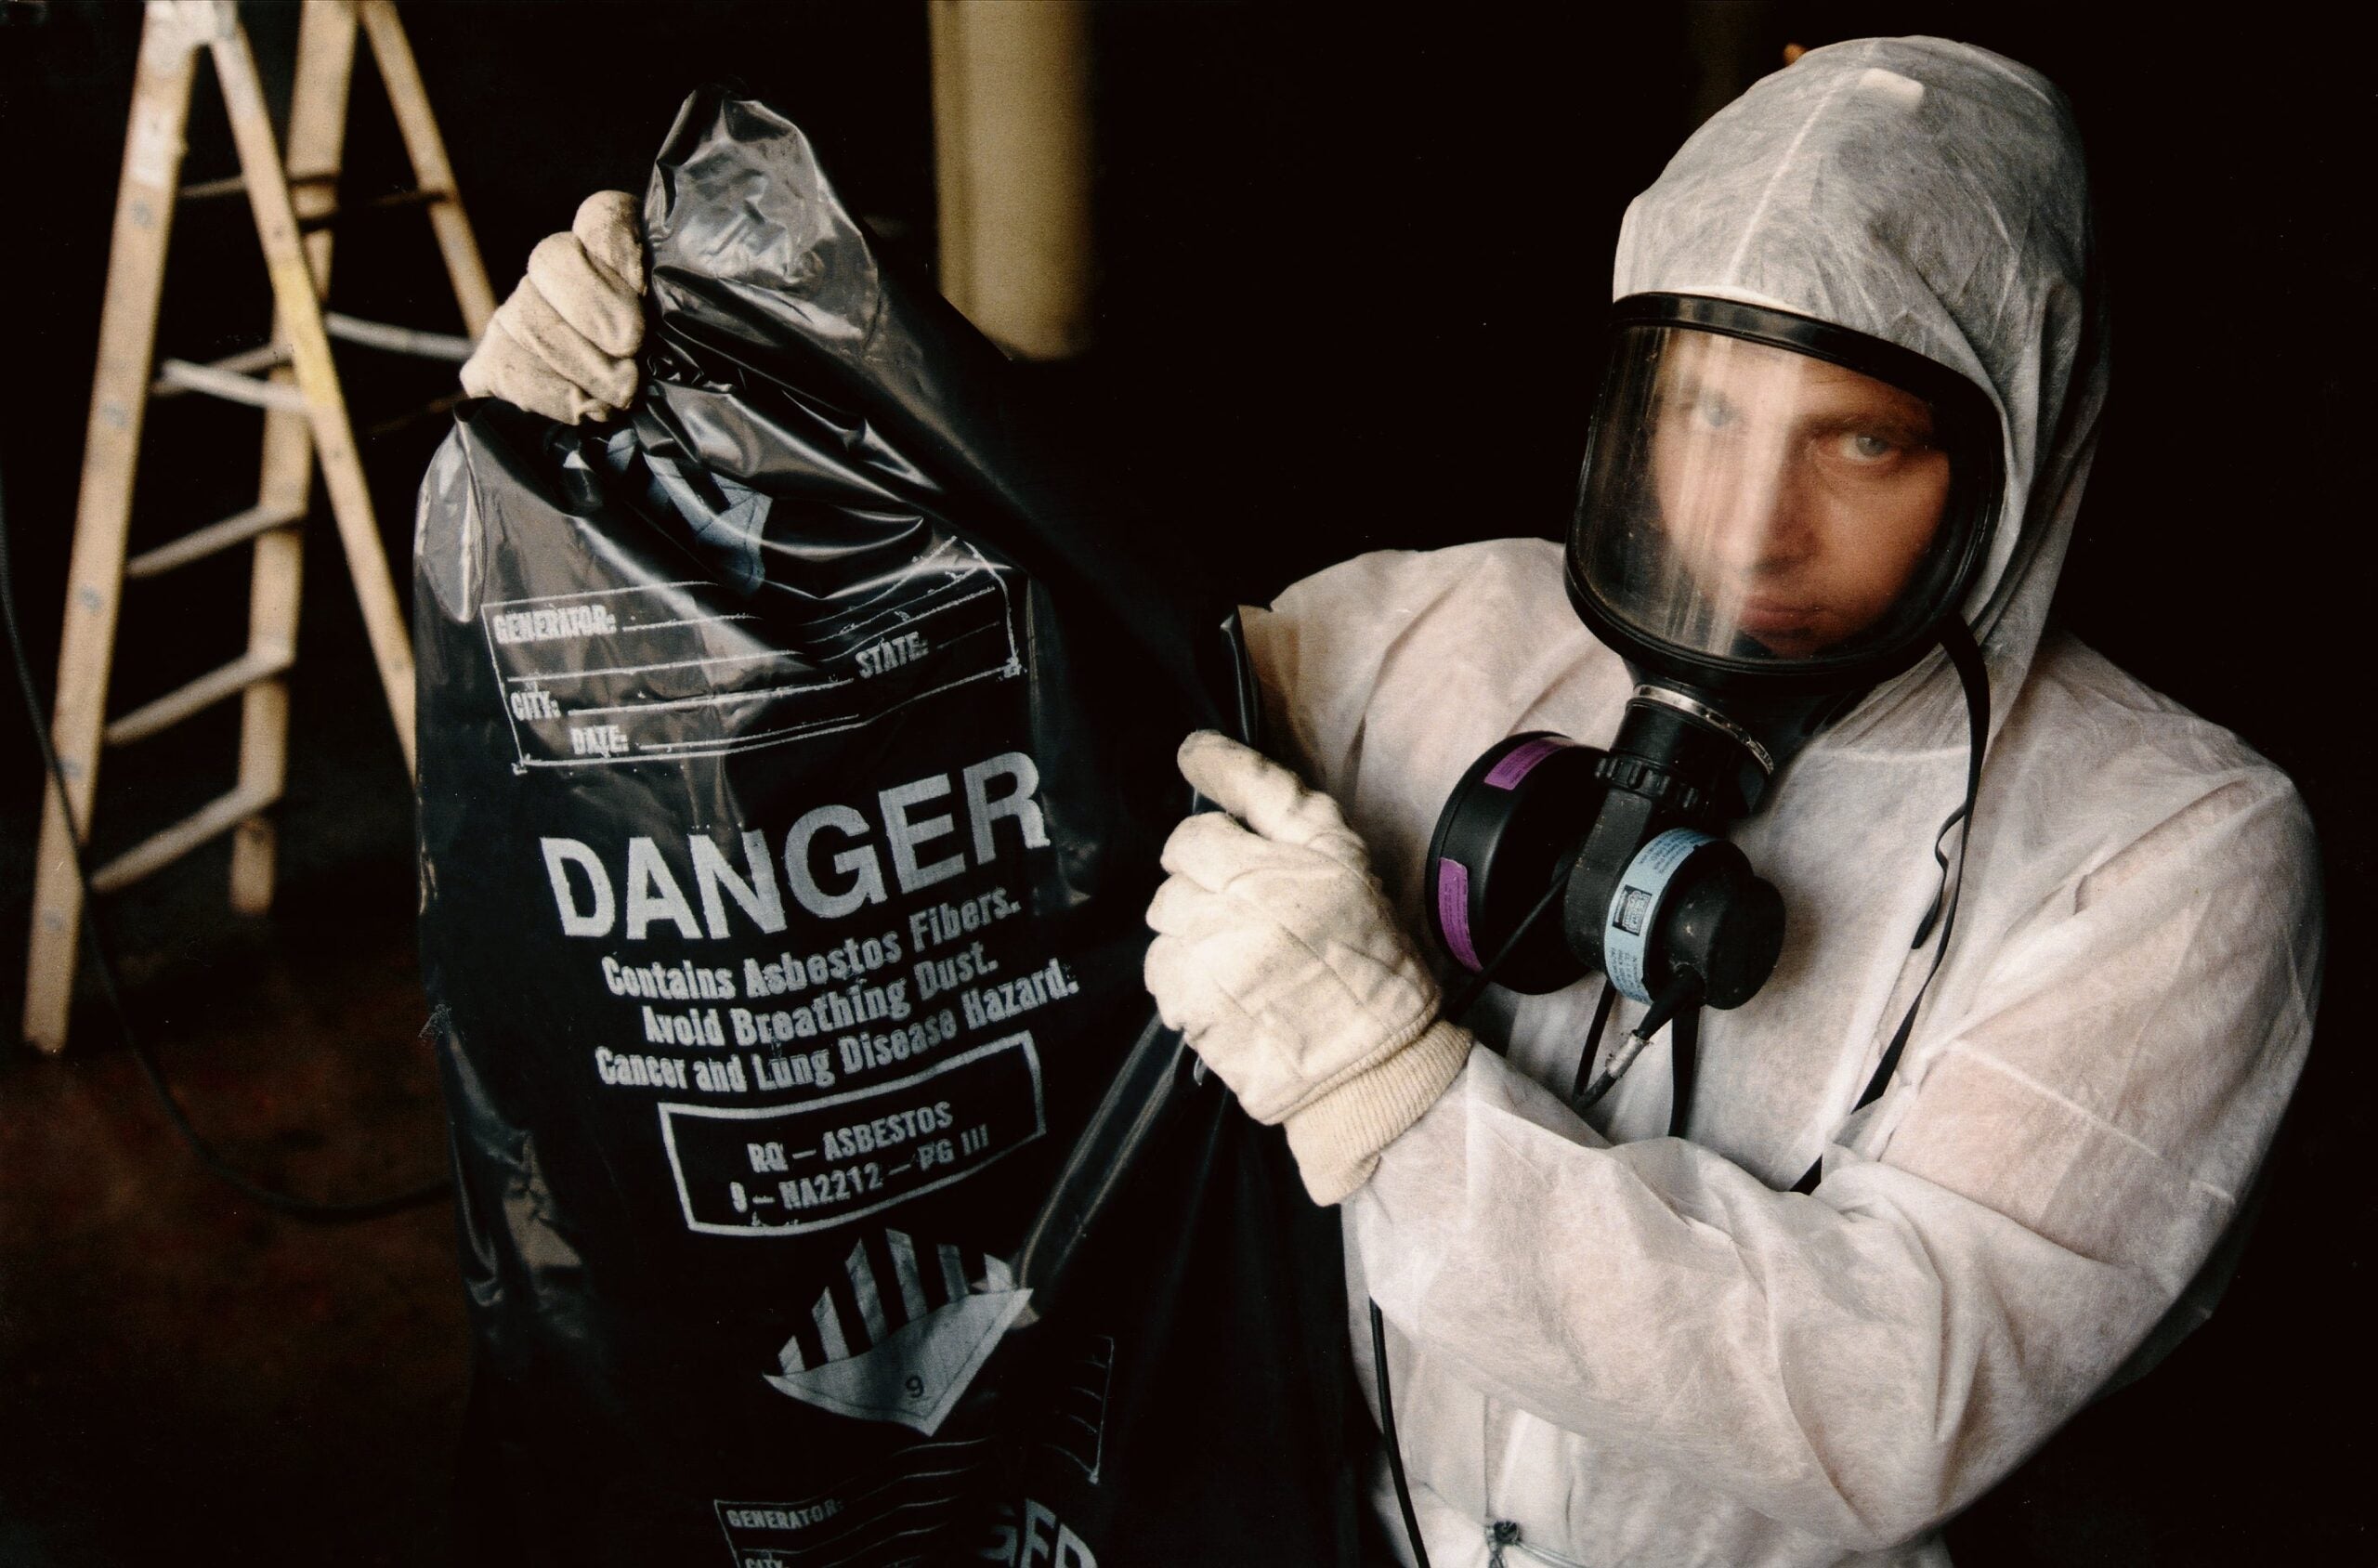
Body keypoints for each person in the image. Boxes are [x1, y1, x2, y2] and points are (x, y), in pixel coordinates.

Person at [461, 36, 2319, 1567]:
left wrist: (1392, 1092)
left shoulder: (2169, 852)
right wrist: (652, 442)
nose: (1745, 526)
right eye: (1702, 413)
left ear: (2015, 456)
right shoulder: (1437, 627)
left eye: (1859, 439)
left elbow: (1897, 1388)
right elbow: (1006, 684)